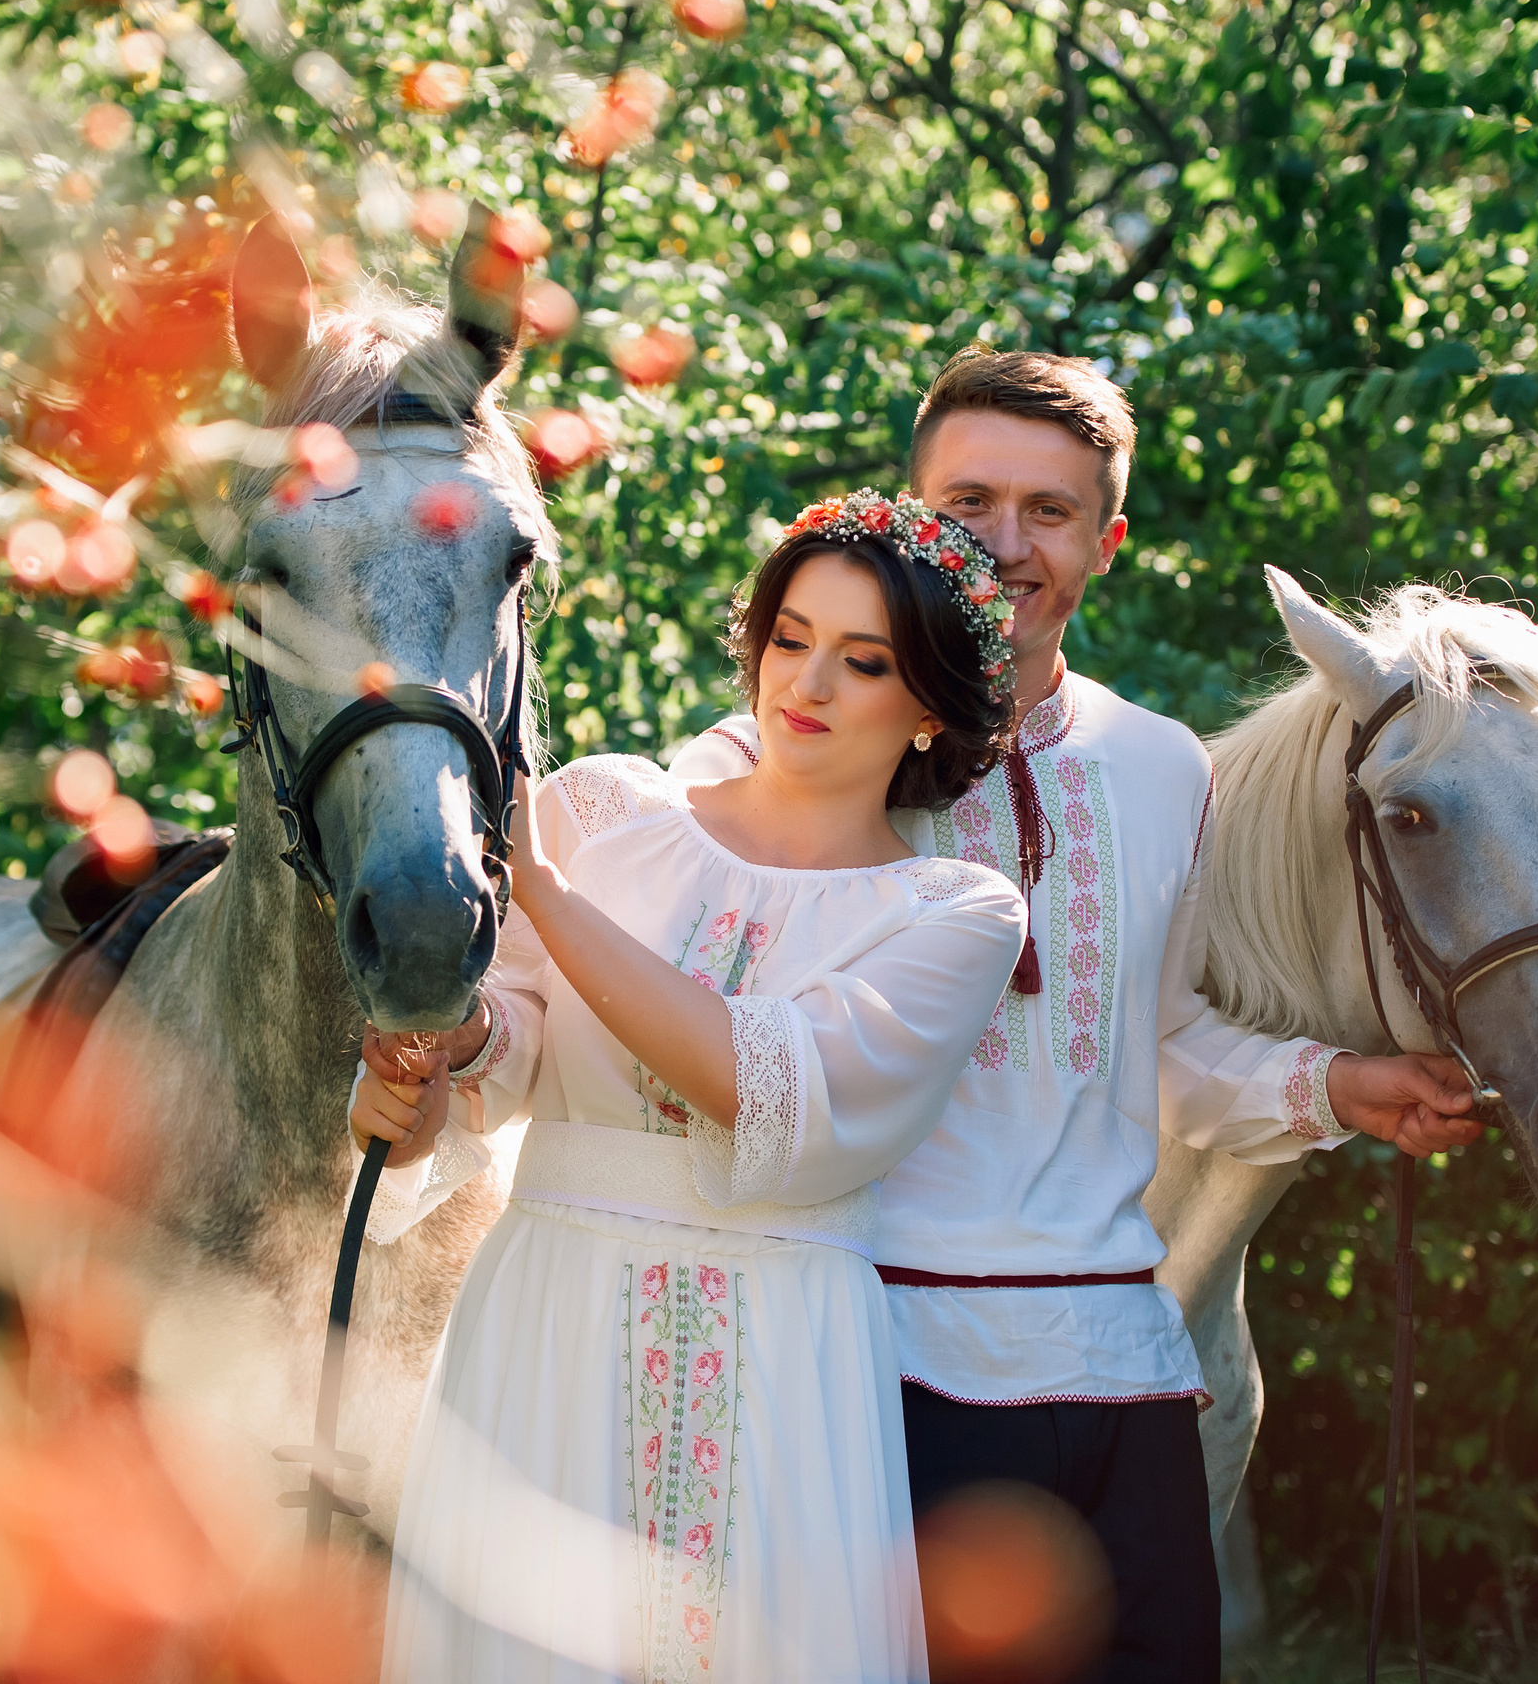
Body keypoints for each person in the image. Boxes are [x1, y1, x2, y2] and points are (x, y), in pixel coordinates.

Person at [668, 349, 1488, 1684]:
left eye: (1048, 511)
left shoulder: (1164, 765)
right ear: (908, 513)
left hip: (1127, 1366)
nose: (1003, 542)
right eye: (968, 500)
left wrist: (1345, 1086)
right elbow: (640, 953)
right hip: (879, 1362)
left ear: (1105, 542)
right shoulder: (774, 746)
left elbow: (1156, 1051)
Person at [352, 492, 1032, 1683]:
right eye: (789, 639)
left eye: (861, 661)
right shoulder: (601, 811)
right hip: (548, 1303)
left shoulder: (953, 915)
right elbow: (512, 1038)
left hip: (783, 1335)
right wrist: (438, 1061)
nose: (804, 684)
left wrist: (553, 905)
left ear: (929, 704)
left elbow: (763, 1087)